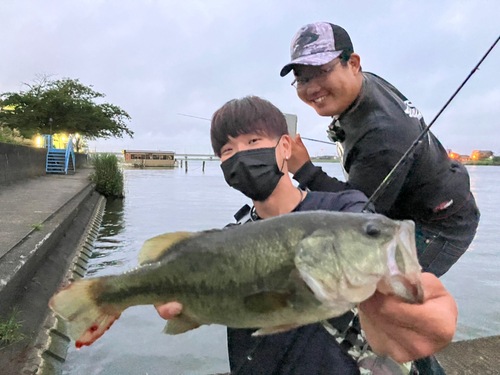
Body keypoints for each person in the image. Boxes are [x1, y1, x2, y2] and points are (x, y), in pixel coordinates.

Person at [157, 96, 457, 375]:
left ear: (285, 147)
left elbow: (377, 244)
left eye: (253, 141)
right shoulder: (228, 239)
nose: (242, 155)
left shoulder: (343, 209)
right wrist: (188, 306)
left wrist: (413, 300)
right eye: (227, 150)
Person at [280, 22, 480, 279]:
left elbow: (358, 213)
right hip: (403, 200)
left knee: (380, 298)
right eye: (302, 79)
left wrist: (304, 169)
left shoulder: (383, 135)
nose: (312, 88)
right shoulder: (361, 86)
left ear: (353, 63)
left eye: (321, 71)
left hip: (438, 223)